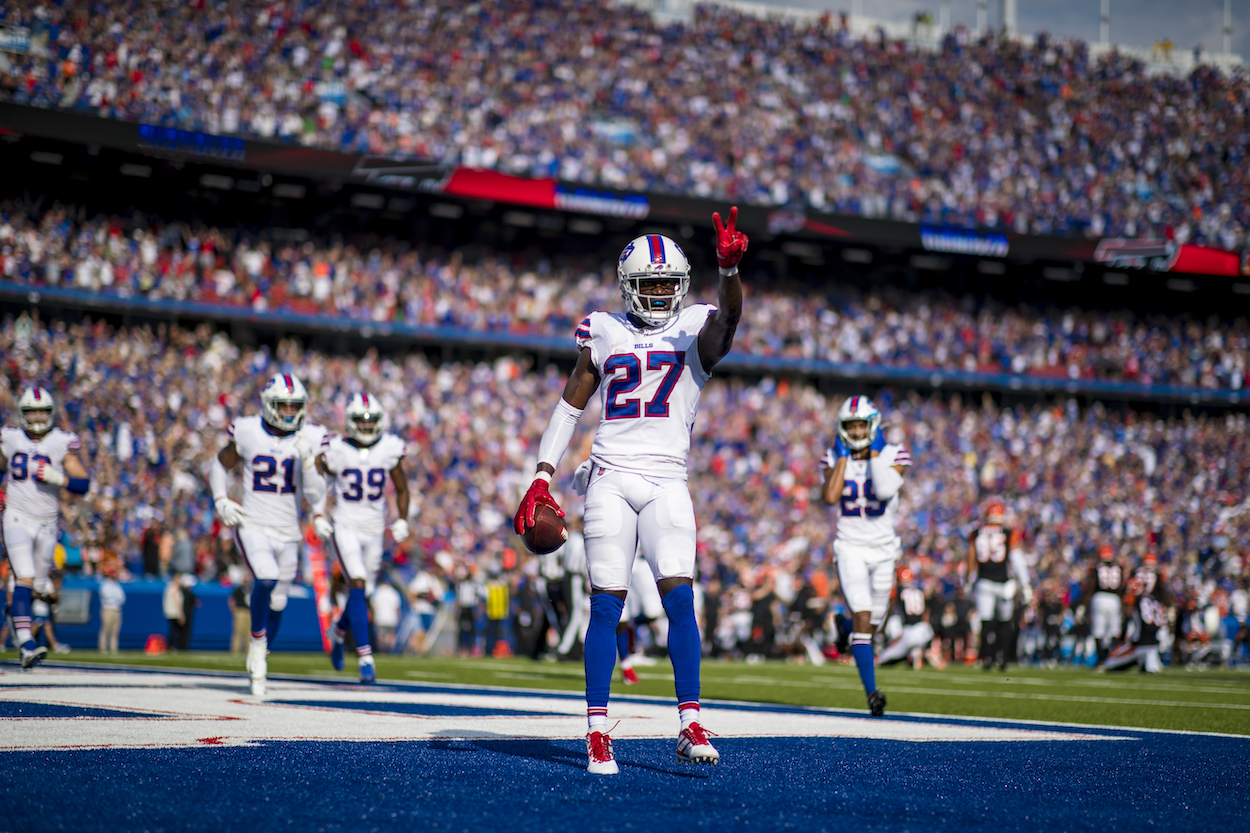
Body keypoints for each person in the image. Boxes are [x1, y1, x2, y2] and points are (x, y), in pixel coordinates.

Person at [513, 208, 748, 774]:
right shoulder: (604, 330)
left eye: (670, 284)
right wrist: (542, 474)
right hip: (611, 478)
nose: (663, 293)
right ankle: (597, 730)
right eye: (652, 284)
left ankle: (690, 720)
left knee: (680, 600)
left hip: (669, 478)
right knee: (605, 605)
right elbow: (570, 404)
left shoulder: (696, 326)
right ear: (629, 288)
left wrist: (729, 271)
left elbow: (729, 324)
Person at [210, 373, 329, 696]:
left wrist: (307, 463)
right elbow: (220, 464)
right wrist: (221, 499)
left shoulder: (312, 437)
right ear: (268, 406)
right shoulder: (249, 431)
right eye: (283, 405)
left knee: (278, 601)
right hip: (254, 524)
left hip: (289, 532)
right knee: (266, 578)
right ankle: (258, 645)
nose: (290, 412)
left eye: (295, 406)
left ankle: (260, 650)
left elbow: (318, 493)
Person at [819, 395, 912, 716]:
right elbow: (830, 497)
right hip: (850, 547)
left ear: (872, 425)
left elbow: (885, 489)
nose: (857, 431)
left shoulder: (892, 452)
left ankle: (843, 629)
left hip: (885, 550)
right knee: (862, 615)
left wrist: (872, 453)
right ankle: (872, 694)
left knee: (871, 627)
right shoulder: (834, 454)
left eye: (861, 425)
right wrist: (843, 458)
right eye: (851, 426)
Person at [314, 392, 409, 683]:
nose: (367, 427)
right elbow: (318, 480)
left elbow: (402, 488)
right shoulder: (336, 448)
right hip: (345, 525)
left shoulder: (390, 447)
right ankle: (366, 659)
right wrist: (318, 513)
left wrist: (403, 519)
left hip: (374, 530)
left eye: (371, 421)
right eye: (361, 421)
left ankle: (338, 631)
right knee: (355, 580)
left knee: (362, 593)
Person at [0, 387, 92, 669]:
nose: (38, 417)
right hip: (16, 516)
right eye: (32, 411)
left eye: (42, 411)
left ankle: (15, 615)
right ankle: (27, 645)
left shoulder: (61, 441)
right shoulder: (10, 436)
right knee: (24, 578)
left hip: (48, 523)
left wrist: (58, 477)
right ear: (22, 414)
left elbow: (83, 484)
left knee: (39, 586)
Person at [967, 498, 1033, 670]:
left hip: (983, 582)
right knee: (1004, 622)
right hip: (1003, 583)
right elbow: (1016, 559)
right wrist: (1025, 584)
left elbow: (971, 558)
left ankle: (986, 658)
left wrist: (968, 580)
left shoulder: (977, 532)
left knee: (986, 622)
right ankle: (1001, 658)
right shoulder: (1008, 531)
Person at [1107, 553, 1170, 673]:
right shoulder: (1154, 599)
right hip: (1155, 640)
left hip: (1140, 642)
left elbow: (1129, 620)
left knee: (1111, 662)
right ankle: (1149, 660)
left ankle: (1141, 659)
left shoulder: (1135, 597)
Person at [877, 567, 940, 669]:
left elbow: (892, 611)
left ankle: (909, 654)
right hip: (924, 630)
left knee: (884, 659)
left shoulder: (898, 591)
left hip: (909, 632)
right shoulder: (919, 590)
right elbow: (925, 612)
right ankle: (918, 652)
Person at [1085, 544, 1126, 666]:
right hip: (1114, 598)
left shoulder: (1097, 567)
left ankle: (1101, 659)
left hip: (1099, 597)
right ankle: (1113, 659)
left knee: (1098, 631)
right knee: (1114, 631)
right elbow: (1122, 585)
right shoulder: (1118, 567)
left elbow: (1091, 585)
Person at [97, 564, 125, 654]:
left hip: (117, 610)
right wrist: (115, 599)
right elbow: (108, 596)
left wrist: (116, 600)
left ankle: (114, 649)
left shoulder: (117, 586)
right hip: (107, 609)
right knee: (105, 629)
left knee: (115, 631)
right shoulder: (105, 585)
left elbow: (122, 598)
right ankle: (103, 648)